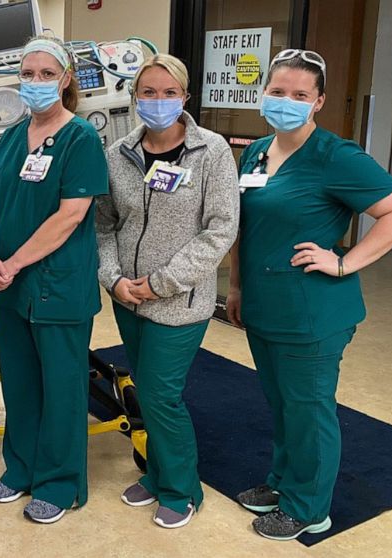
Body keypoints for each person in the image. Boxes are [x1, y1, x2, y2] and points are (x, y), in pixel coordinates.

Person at [227, 49, 392, 541]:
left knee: (309, 409)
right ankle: (282, 484)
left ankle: (309, 508)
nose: (285, 102)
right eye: (277, 92)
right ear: (262, 93)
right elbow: (248, 228)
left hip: (311, 310)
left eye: (299, 95)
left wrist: (343, 261)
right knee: (281, 401)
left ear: (318, 103)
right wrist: (236, 285)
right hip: (264, 301)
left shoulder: (337, 156)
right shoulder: (257, 152)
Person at [95, 54, 239, 529]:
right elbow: (104, 224)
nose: (158, 102)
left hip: (180, 299)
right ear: (135, 98)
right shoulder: (118, 155)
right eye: (148, 93)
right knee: (147, 386)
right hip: (128, 296)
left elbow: (220, 230)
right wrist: (114, 279)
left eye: (168, 92)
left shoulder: (212, 151)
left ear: (185, 97)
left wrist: (162, 283)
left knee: (160, 394)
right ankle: (157, 475)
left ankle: (182, 489)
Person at [0, 37, 108, 525]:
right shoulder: (14, 135)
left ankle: (59, 483)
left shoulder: (80, 139)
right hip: (10, 286)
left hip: (57, 285)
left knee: (62, 388)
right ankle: (21, 469)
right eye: (27, 74)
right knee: (20, 383)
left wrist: (13, 263)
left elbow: (71, 215)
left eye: (45, 74)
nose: (34, 83)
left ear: (66, 79)